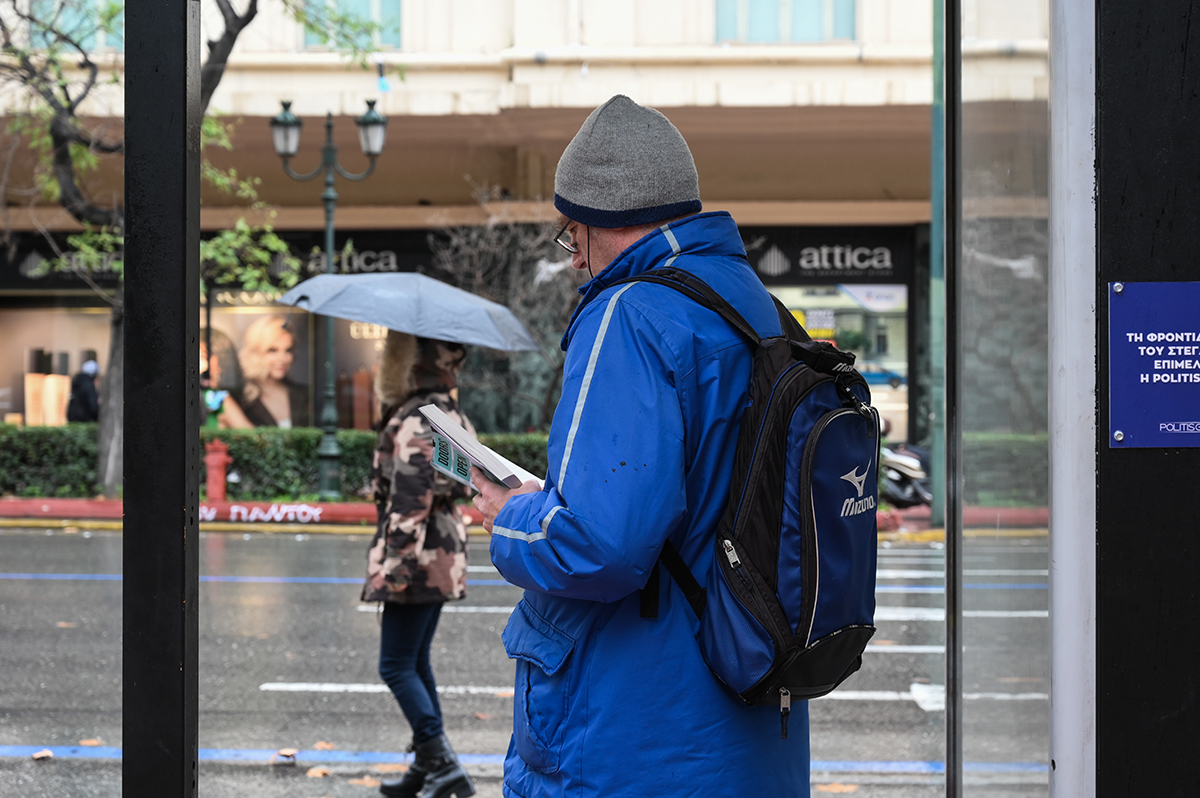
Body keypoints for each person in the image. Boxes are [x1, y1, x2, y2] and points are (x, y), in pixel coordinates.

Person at [471, 95, 811, 798]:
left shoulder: (630, 313)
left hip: (632, 733)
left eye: (572, 237)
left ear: (598, 223)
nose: (574, 261)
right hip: (749, 719)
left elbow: (600, 546)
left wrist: (511, 514)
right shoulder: (754, 306)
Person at [362, 331, 476, 798]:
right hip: (442, 553)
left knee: (395, 665)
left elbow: (410, 500)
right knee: (414, 661)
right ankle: (428, 769)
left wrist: (394, 570)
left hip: (418, 557)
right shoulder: (447, 411)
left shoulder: (417, 417)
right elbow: (461, 479)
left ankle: (441, 763)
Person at [222, 315, 309, 428]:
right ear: (255, 352)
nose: (282, 359)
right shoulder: (238, 398)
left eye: (288, 350)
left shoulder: (304, 395)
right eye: (272, 350)